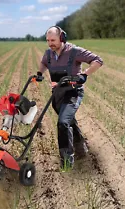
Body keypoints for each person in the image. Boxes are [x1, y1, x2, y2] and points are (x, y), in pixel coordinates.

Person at [37, 26, 103, 170]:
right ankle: (82, 151)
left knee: (63, 123)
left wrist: (84, 75)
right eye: (48, 40)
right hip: (57, 95)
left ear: (62, 38)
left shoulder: (74, 52)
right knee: (69, 122)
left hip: (73, 93)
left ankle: (67, 161)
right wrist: (40, 73)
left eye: (53, 40)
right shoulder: (48, 54)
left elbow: (97, 60)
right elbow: (43, 63)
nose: (50, 44)